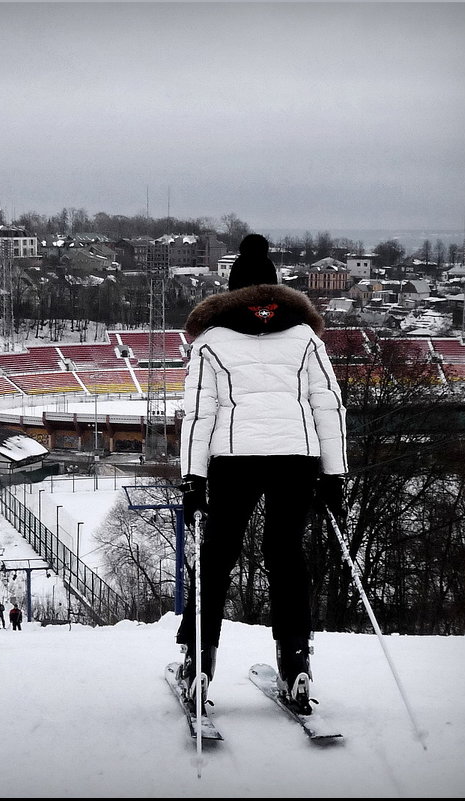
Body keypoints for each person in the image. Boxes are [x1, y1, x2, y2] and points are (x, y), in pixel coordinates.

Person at [178, 233, 348, 715]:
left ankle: (199, 659)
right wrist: (335, 476)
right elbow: (328, 408)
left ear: (230, 291)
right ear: (275, 289)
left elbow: (198, 414)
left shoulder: (210, 341)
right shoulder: (305, 339)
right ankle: (295, 661)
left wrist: (193, 478)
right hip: (297, 459)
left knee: (216, 556)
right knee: (286, 556)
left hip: (234, 461)